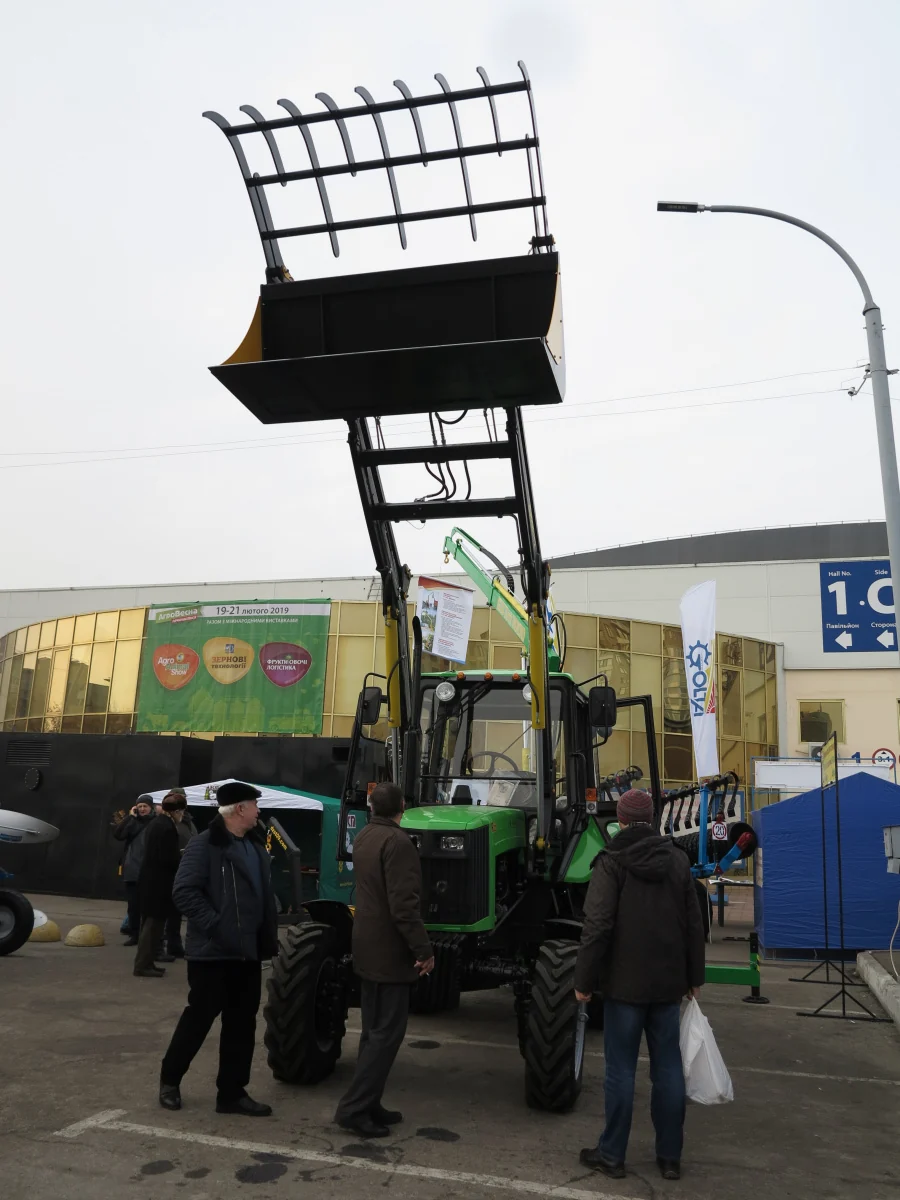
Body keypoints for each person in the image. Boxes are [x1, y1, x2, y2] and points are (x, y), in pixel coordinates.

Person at [574, 788, 705, 1183]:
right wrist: (694, 978)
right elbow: (694, 923)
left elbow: (597, 925)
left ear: (622, 821)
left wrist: (583, 980)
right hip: (667, 985)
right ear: (652, 819)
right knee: (668, 1069)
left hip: (624, 985)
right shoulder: (678, 860)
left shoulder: (611, 861)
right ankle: (670, 1157)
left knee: (620, 1071)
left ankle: (612, 1154)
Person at [158, 781, 278, 1116]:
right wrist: (217, 925)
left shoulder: (254, 844)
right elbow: (184, 892)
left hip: (247, 952)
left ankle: (231, 1094)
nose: (258, 810)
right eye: (254, 805)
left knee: (241, 1024)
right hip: (213, 952)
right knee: (199, 1018)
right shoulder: (205, 844)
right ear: (239, 809)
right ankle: (170, 1079)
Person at [333, 782, 434, 1139]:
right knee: (386, 1036)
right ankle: (354, 1109)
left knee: (372, 1033)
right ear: (402, 806)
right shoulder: (399, 842)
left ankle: (370, 1102)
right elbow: (404, 907)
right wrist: (423, 950)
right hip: (390, 952)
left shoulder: (365, 837)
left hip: (366, 943)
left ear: (372, 807)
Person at [134, 793, 185, 977]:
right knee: (152, 927)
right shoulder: (167, 827)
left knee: (151, 926)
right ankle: (143, 965)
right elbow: (167, 857)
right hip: (158, 884)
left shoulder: (157, 823)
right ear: (177, 811)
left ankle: (148, 962)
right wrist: (181, 858)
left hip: (150, 882)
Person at [114, 795, 155, 946]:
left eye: (145, 806)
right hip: (132, 869)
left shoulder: (156, 823)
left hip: (148, 870)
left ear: (151, 807)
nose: (142, 809)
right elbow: (118, 834)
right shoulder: (133, 822)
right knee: (133, 906)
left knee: (148, 906)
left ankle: (147, 935)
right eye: (140, 806)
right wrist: (130, 817)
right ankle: (135, 934)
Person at [162, 790, 196, 960]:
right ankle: (160, 947)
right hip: (170, 872)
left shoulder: (188, 821)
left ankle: (174, 946)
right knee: (164, 913)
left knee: (176, 912)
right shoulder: (166, 823)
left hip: (183, 870)